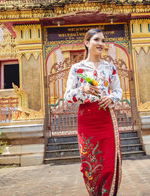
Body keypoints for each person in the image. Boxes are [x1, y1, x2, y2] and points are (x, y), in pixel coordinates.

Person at [64, 28, 123, 196]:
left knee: (109, 162)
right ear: (87, 43)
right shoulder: (77, 69)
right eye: (96, 40)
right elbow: (68, 96)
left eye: (103, 41)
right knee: (89, 163)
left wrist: (112, 98)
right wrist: (82, 88)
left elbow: (118, 92)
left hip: (106, 117)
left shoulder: (110, 68)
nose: (101, 44)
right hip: (87, 119)